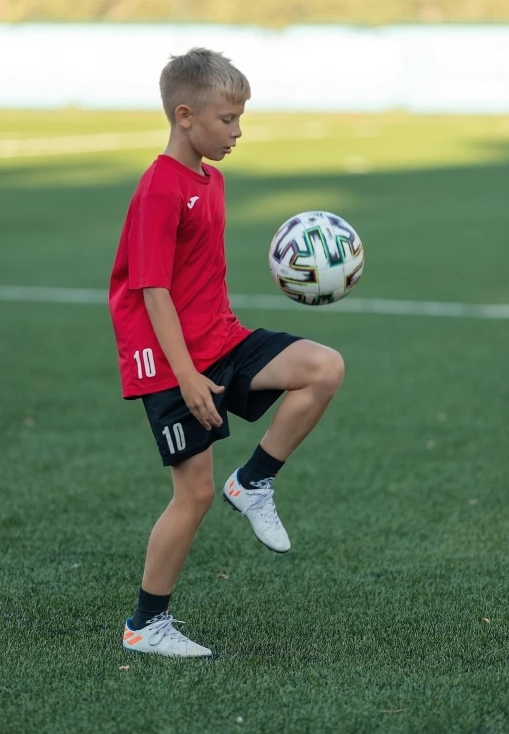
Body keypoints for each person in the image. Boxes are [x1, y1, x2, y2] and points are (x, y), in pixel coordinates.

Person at [109, 47, 345, 659]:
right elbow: (151, 287)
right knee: (192, 495)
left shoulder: (211, 180)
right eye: (227, 120)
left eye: (240, 119)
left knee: (323, 368)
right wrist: (185, 374)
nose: (238, 132)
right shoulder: (160, 186)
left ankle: (256, 481)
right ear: (185, 116)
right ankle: (145, 626)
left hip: (221, 340)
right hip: (169, 360)